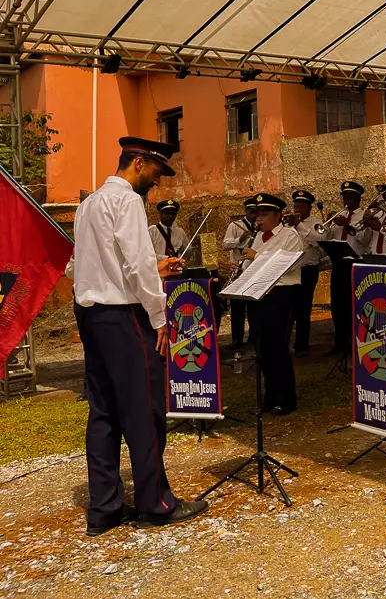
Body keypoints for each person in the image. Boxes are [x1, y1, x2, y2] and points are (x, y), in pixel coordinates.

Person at [72, 136, 208, 535]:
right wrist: (159, 315)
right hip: (125, 316)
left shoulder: (88, 204)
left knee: (103, 411)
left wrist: (152, 266)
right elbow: (134, 264)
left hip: (92, 314)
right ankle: (156, 503)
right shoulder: (129, 201)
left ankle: (105, 508)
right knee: (145, 410)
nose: (157, 181)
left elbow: (80, 264)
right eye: (156, 172)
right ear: (138, 163)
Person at [240, 193, 303, 415]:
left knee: (278, 347)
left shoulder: (289, 235)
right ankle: (270, 395)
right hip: (258, 295)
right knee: (262, 348)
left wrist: (256, 256)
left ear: (278, 215)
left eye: (264, 214)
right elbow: (253, 266)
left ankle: (286, 398)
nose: (259, 219)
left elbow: (285, 265)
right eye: (257, 214)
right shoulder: (258, 236)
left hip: (281, 294)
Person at [325, 180, 367, 357]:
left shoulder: (364, 215)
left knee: (354, 306)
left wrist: (347, 225)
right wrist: (329, 223)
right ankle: (340, 343)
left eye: (350, 197)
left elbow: (364, 240)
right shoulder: (339, 216)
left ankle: (356, 342)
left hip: (356, 264)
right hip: (339, 264)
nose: (346, 200)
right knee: (337, 305)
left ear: (358, 198)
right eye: (344, 197)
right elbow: (325, 236)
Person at [288, 189, 325, 357]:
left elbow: (319, 242)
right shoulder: (287, 224)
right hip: (290, 271)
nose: (297, 209)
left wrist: (299, 226)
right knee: (289, 309)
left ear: (309, 208)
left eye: (302, 206)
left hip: (308, 270)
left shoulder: (316, 223)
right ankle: (284, 344)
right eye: (296, 205)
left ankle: (302, 345)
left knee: (303, 310)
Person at [222, 200, 258, 348]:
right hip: (238, 270)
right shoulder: (235, 225)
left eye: (256, 212)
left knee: (253, 306)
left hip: (254, 270)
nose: (254, 215)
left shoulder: (260, 226)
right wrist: (240, 239)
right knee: (237, 307)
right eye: (251, 211)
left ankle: (254, 336)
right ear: (246, 211)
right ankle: (237, 339)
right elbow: (225, 245)